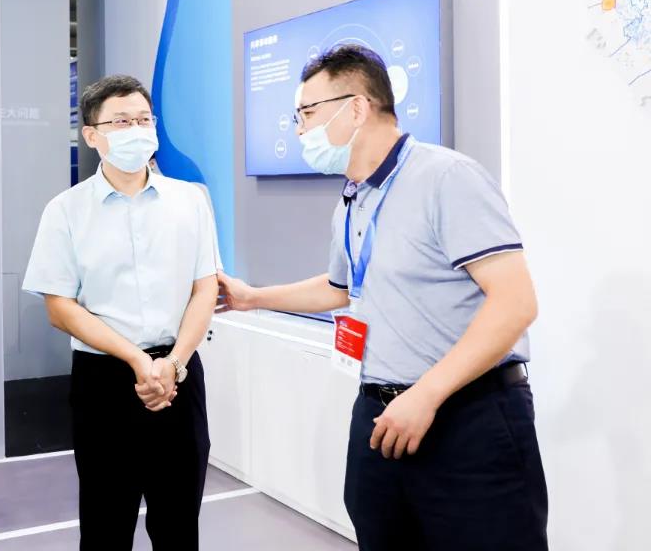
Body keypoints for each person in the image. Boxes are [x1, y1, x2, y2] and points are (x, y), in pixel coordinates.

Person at [218, 45, 548, 551]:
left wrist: (428, 394)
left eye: (307, 113)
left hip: (466, 417)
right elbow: (341, 287)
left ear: (356, 108)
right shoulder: (355, 196)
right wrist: (252, 298)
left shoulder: (446, 178)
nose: (300, 130)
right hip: (380, 415)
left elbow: (515, 302)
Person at [22, 75, 219, 551]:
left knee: (179, 522)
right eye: (122, 122)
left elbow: (205, 287)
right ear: (92, 135)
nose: (136, 130)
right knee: (106, 522)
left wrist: (173, 362)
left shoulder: (191, 200)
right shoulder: (65, 210)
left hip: (179, 377)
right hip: (105, 381)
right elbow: (59, 307)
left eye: (144, 120)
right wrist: (136, 359)